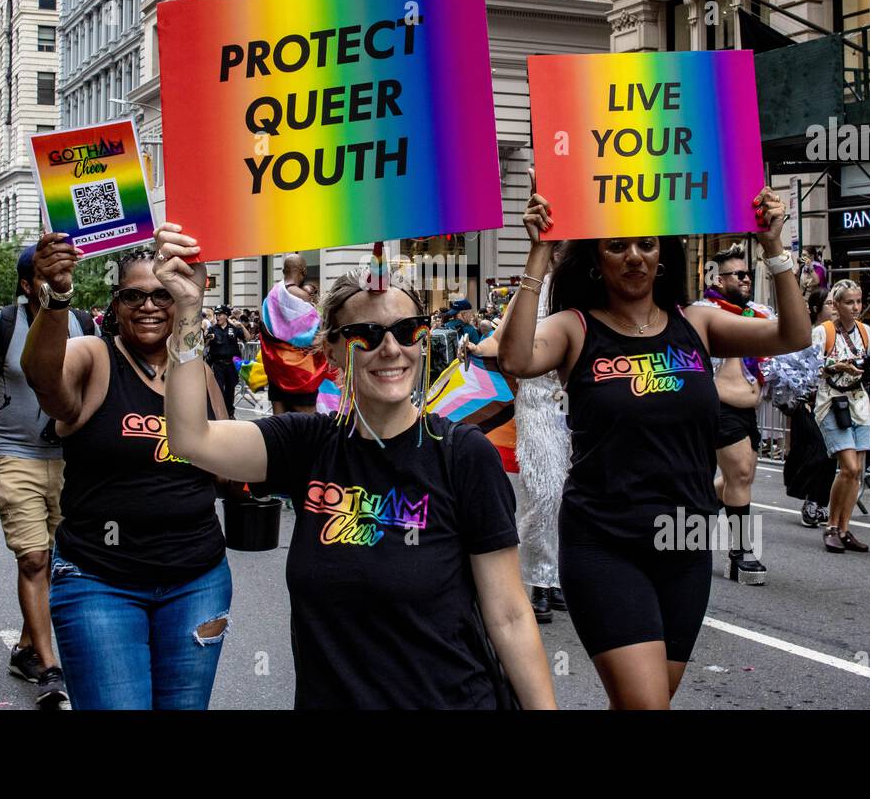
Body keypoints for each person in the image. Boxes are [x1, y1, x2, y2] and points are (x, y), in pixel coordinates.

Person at [154, 222, 556, 710]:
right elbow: (190, 438)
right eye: (366, 334)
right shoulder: (308, 445)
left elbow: (511, 616)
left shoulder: (464, 454)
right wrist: (188, 312)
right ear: (335, 351)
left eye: (406, 331)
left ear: (423, 341)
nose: (390, 348)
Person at [495, 175, 808, 709]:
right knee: (647, 706)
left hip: (683, 540)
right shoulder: (575, 328)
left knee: (646, 701)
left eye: (646, 243)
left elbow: (793, 336)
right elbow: (516, 358)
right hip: (604, 542)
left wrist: (774, 246)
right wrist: (539, 254)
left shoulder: (699, 323)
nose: (634, 256)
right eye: (617, 245)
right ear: (597, 260)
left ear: (663, 255)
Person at [20, 238, 232, 710]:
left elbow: (229, 468)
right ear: (116, 304)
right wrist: (54, 297)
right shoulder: (94, 357)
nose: (150, 306)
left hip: (198, 581)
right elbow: (44, 378)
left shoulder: (196, 372)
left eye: (163, 295)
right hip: (101, 581)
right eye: (134, 296)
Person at [0, 246, 94, 708]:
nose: (59, 281)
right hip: (15, 455)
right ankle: (49, 667)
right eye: (49, 274)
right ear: (27, 284)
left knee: (58, 560)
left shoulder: (84, 324)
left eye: (66, 273)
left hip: (71, 457)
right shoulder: (0, 325)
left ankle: (27, 646)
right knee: (32, 559)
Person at [463, 277, 571, 624]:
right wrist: (477, 350)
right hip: (537, 404)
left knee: (572, 496)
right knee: (543, 492)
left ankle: (557, 578)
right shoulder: (531, 292)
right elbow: (500, 340)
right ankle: (539, 580)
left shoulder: (590, 286)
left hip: (581, 403)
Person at [695, 243, 771, 586]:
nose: (745, 280)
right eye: (738, 275)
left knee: (739, 477)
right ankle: (741, 553)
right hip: (718, 408)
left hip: (747, 412)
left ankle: (693, 521)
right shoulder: (707, 314)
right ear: (718, 278)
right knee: (740, 473)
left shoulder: (755, 315)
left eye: (748, 274)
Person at [812, 280, 870, 553]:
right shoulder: (823, 332)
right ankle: (831, 526)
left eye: (858, 301)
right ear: (836, 304)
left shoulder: (866, 331)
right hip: (832, 403)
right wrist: (835, 366)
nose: (855, 307)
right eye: (849, 302)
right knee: (849, 467)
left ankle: (844, 529)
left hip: (858, 403)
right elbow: (809, 364)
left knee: (857, 473)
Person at [260, 255, 330, 414]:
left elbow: (265, 330)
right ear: (303, 272)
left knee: (281, 425)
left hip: (276, 371)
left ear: (283, 271)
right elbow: (314, 336)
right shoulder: (302, 296)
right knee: (307, 426)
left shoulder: (270, 297)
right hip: (301, 372)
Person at [205, 304, 247, 415]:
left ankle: (229, 413)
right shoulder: (212, 329)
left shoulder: (233, 328)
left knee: (230, 389)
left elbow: (247, 338)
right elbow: (204, 345)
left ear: (226, 315)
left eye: (220, 314)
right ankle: (218, 413)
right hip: (218, 364)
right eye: (216, 315)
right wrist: (208, 338)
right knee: (218, 389)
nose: (217, 317)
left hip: (231, 365)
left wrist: (241, 326)